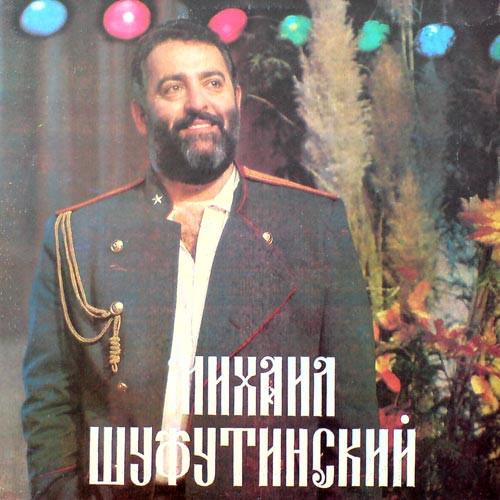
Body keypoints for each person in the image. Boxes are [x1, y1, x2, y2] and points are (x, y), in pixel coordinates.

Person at [22, 19, 379, 499]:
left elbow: (354, 432)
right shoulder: (76, 235)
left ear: (236, 98)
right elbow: (50, 408)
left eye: (212, 83)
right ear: (140, 115)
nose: (198, 104)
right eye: (173, 87)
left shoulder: (315, 225)